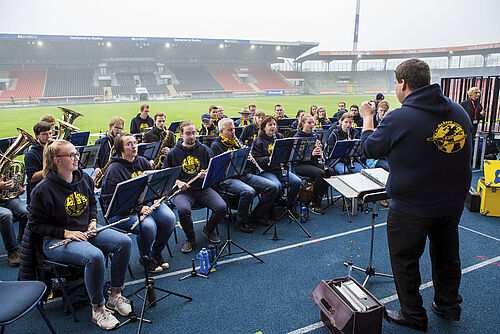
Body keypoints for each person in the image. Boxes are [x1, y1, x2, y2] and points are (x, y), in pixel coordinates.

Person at [359, 58, 472, 331]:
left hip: (412, 205)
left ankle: (413, 314)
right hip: (452, 203)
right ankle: (448, 305)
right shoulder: (458, 111)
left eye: (396, 83)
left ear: (403, 83)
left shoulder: (400, 116)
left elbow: (370, 149)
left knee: (405, 261)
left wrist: (367, 118)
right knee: (447, 256)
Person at [28, 140, 132, 330]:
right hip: (56, 240)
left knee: (124, 242)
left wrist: (93, 221)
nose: (77, 158)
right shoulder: (43, 189)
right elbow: (35, 225)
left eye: (76, 154)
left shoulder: (84, 178)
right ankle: (98, 309)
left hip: (86, 230)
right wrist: (66, 232)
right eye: (72, 155)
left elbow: (92, 204)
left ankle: (115, 295)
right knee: (94, 256)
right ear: (57, 160)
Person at [101, 133, 175, 274]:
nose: (134, 146)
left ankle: (156, 253)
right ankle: (145, 257)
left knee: (169, 218)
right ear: (120, 148)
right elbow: (112, 201)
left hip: (147, 205)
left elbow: (156, 183)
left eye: (134, 142)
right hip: (123, 211)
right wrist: (139, 208)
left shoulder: (142, 161)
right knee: (148, 226)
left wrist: (156, 197)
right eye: (129, 144)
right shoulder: (114, 170)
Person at [163, 121, 226, 253]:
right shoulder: (173, 153)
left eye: (193, 133)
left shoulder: (204, 150)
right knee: (183, 210)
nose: (192, 137)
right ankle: (190, 238)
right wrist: (178, 182)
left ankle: (208, 229)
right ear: (181, 134)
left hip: (203, 189)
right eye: (188, 134)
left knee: (221, 207)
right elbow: (166, 176)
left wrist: (207, 174)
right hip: (183, 192)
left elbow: (215, 170)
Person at [211, 118, 279, 231]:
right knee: (249, 192)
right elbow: (218, 168)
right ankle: (240, 221)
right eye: (229, 130)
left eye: (233, 129)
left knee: (272, 187)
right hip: (227, 178)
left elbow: (246, 165)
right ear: (221, 131)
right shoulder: (216, 146)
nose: (233, 132)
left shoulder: (237, 142)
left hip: (243, 174)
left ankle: (257, 215)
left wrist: (247, 157)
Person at [252, 115, 301, 217]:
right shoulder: (258, 140)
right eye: (270, 125)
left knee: (297, 182)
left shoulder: (279, 137)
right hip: (266, 170)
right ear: (264, 127)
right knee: (277, 185)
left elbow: (286, 153)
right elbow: (256, 159)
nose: (273, 127)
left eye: (274, 124)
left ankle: (289, 206)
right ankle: (268, 209)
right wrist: (269, 159)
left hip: (279, 169)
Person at [293, 115, 334, 214]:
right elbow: (296, 157)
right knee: (320, 173)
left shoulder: (314, 136)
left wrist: (319, 150)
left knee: (330, 171)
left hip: (312, 163)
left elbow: (316, 157)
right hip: (300, 165)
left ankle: (319, 196)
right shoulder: (297, 137)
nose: (312, 125)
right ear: (303, 124)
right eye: (309, 123)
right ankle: (313, 202)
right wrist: (311, 154)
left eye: (313, 123)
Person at [0, 153, 28, 267]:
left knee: (28, 211)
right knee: (6, 215)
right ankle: (12, 250)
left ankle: (22, 237)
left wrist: (18, 188)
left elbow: (12, 180)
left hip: (9, 199)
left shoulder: (5, 162)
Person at [25, 121, 52, 204]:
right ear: (37, 135)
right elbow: (32, 178)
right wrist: (50, 167)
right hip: (40, 191)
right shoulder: (30, 154)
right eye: (44, 134)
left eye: (50, 133)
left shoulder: (54, 149)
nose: (48, 137)